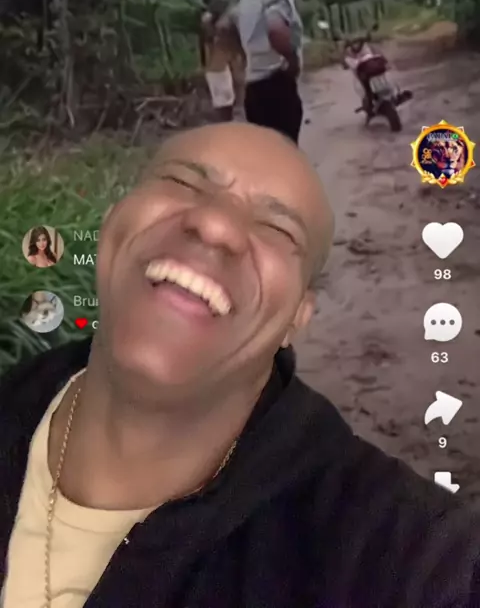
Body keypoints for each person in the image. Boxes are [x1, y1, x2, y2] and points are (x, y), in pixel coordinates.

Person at [1, 122, 479, 608]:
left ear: (298, 317)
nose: (216, 226)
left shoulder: (398, 550)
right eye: (183, 182)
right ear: (111, 223)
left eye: (278, 229)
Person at [217, 0, 304, 143]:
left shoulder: (244, 4)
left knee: (268, 151)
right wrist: (292, 61)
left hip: (254, 91)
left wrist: (243, 55)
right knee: (287, 149)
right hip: (278, 85)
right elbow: (275, 29)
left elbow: (222, 28)